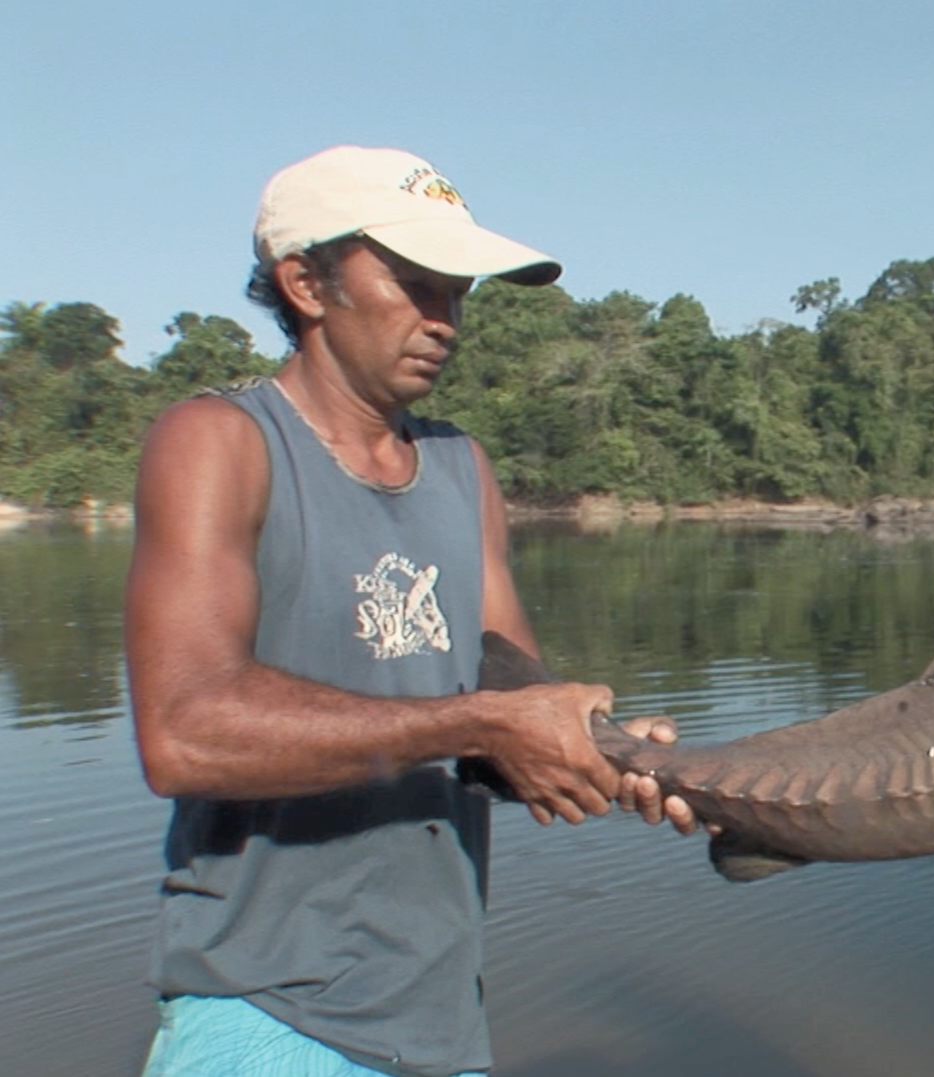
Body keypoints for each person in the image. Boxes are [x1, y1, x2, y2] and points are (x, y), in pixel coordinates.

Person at [126, 145, 696, 1077]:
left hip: (440, 1020)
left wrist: (603, 746)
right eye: (414, 284)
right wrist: (481, 720)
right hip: (269, 1016)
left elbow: (505, 687)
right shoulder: (219, 443)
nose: (445, 320)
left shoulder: (461, 468)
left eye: (458, 291)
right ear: (306, 282)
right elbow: (183, 732)